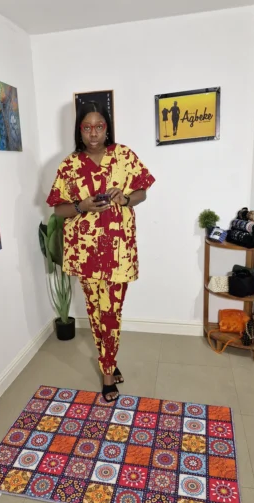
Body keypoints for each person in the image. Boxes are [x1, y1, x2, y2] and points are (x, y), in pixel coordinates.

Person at [46, 101, 155, 402]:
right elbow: (58, 210)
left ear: (107, 128)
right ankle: (109, 365)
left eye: (99, 126)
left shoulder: (124, 156)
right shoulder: (69, 165)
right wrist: (82, 206)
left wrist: (126, 199)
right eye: (87, 127)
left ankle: (108, 366)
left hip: (119, 250)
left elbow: (143, 191)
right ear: (79, 130)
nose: (93, 133)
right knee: (95, 312)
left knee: (112, 312)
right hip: (85, 253)